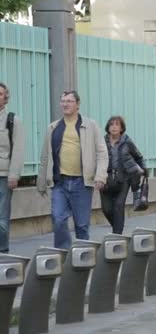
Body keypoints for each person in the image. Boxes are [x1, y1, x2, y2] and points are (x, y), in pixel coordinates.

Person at [37, 91, 108, 249]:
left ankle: (84, 256)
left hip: (81, 183)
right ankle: (63, 254)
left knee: (82, 225)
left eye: (69, 101)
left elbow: (102, 153)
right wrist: (41, 181)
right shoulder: (53, 127)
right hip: (60, 182)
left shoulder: (90, 126)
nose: (65, 104)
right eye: (63, 101)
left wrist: (100, 176)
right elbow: (45, 156)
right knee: (58, 219)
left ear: (77, 104)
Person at [100, 116, 146, 234]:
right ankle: (117, 228)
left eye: (117, 124)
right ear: (108, 127)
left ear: (121, 128)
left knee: (119, 206)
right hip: (106, 180)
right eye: (111, 124)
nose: (114, 127)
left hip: (124, 179)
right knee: (107, 209)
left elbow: (138, 157)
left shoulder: (127, 142)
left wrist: (143, 170)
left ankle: (117, 235)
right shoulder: (101, 142)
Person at [0, 83, 24, 253]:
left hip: (3, 175)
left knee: (1, 217)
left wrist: (14, 175)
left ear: (5, 98)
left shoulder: (12, 120)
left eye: (0, 94)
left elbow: (18, 149)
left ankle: (2, 250)